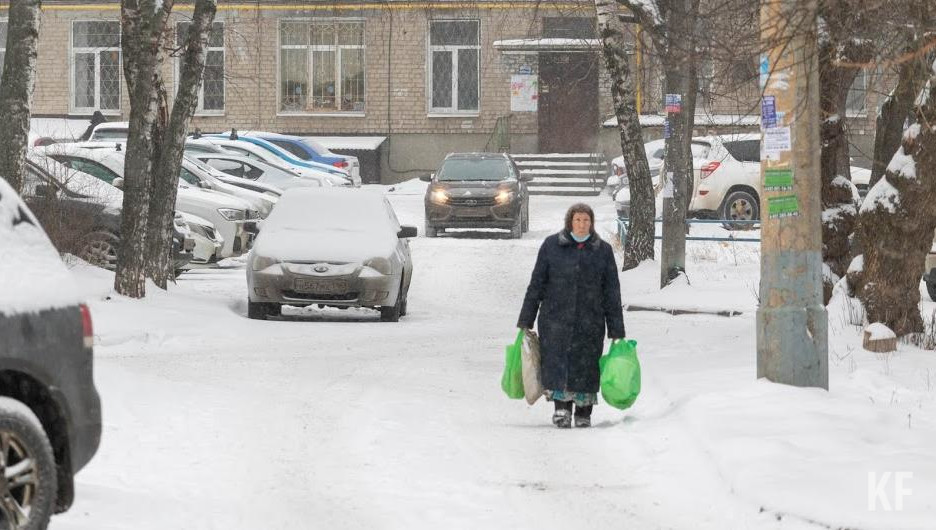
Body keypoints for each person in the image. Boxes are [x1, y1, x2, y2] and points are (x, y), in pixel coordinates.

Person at [517, 203, 625, 428]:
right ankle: (562, 410)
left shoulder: (602, 251)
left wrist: (616, 330)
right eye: (578, 220)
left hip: (591, 320)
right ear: (570, 222)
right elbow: (536, 285)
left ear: (591, 223)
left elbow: (611, 292)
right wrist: (526, 319)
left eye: (586, 220)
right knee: (557, 363)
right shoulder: (551, 246)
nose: (582, 224)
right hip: (555, 319)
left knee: (587, 366)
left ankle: (584, 412)